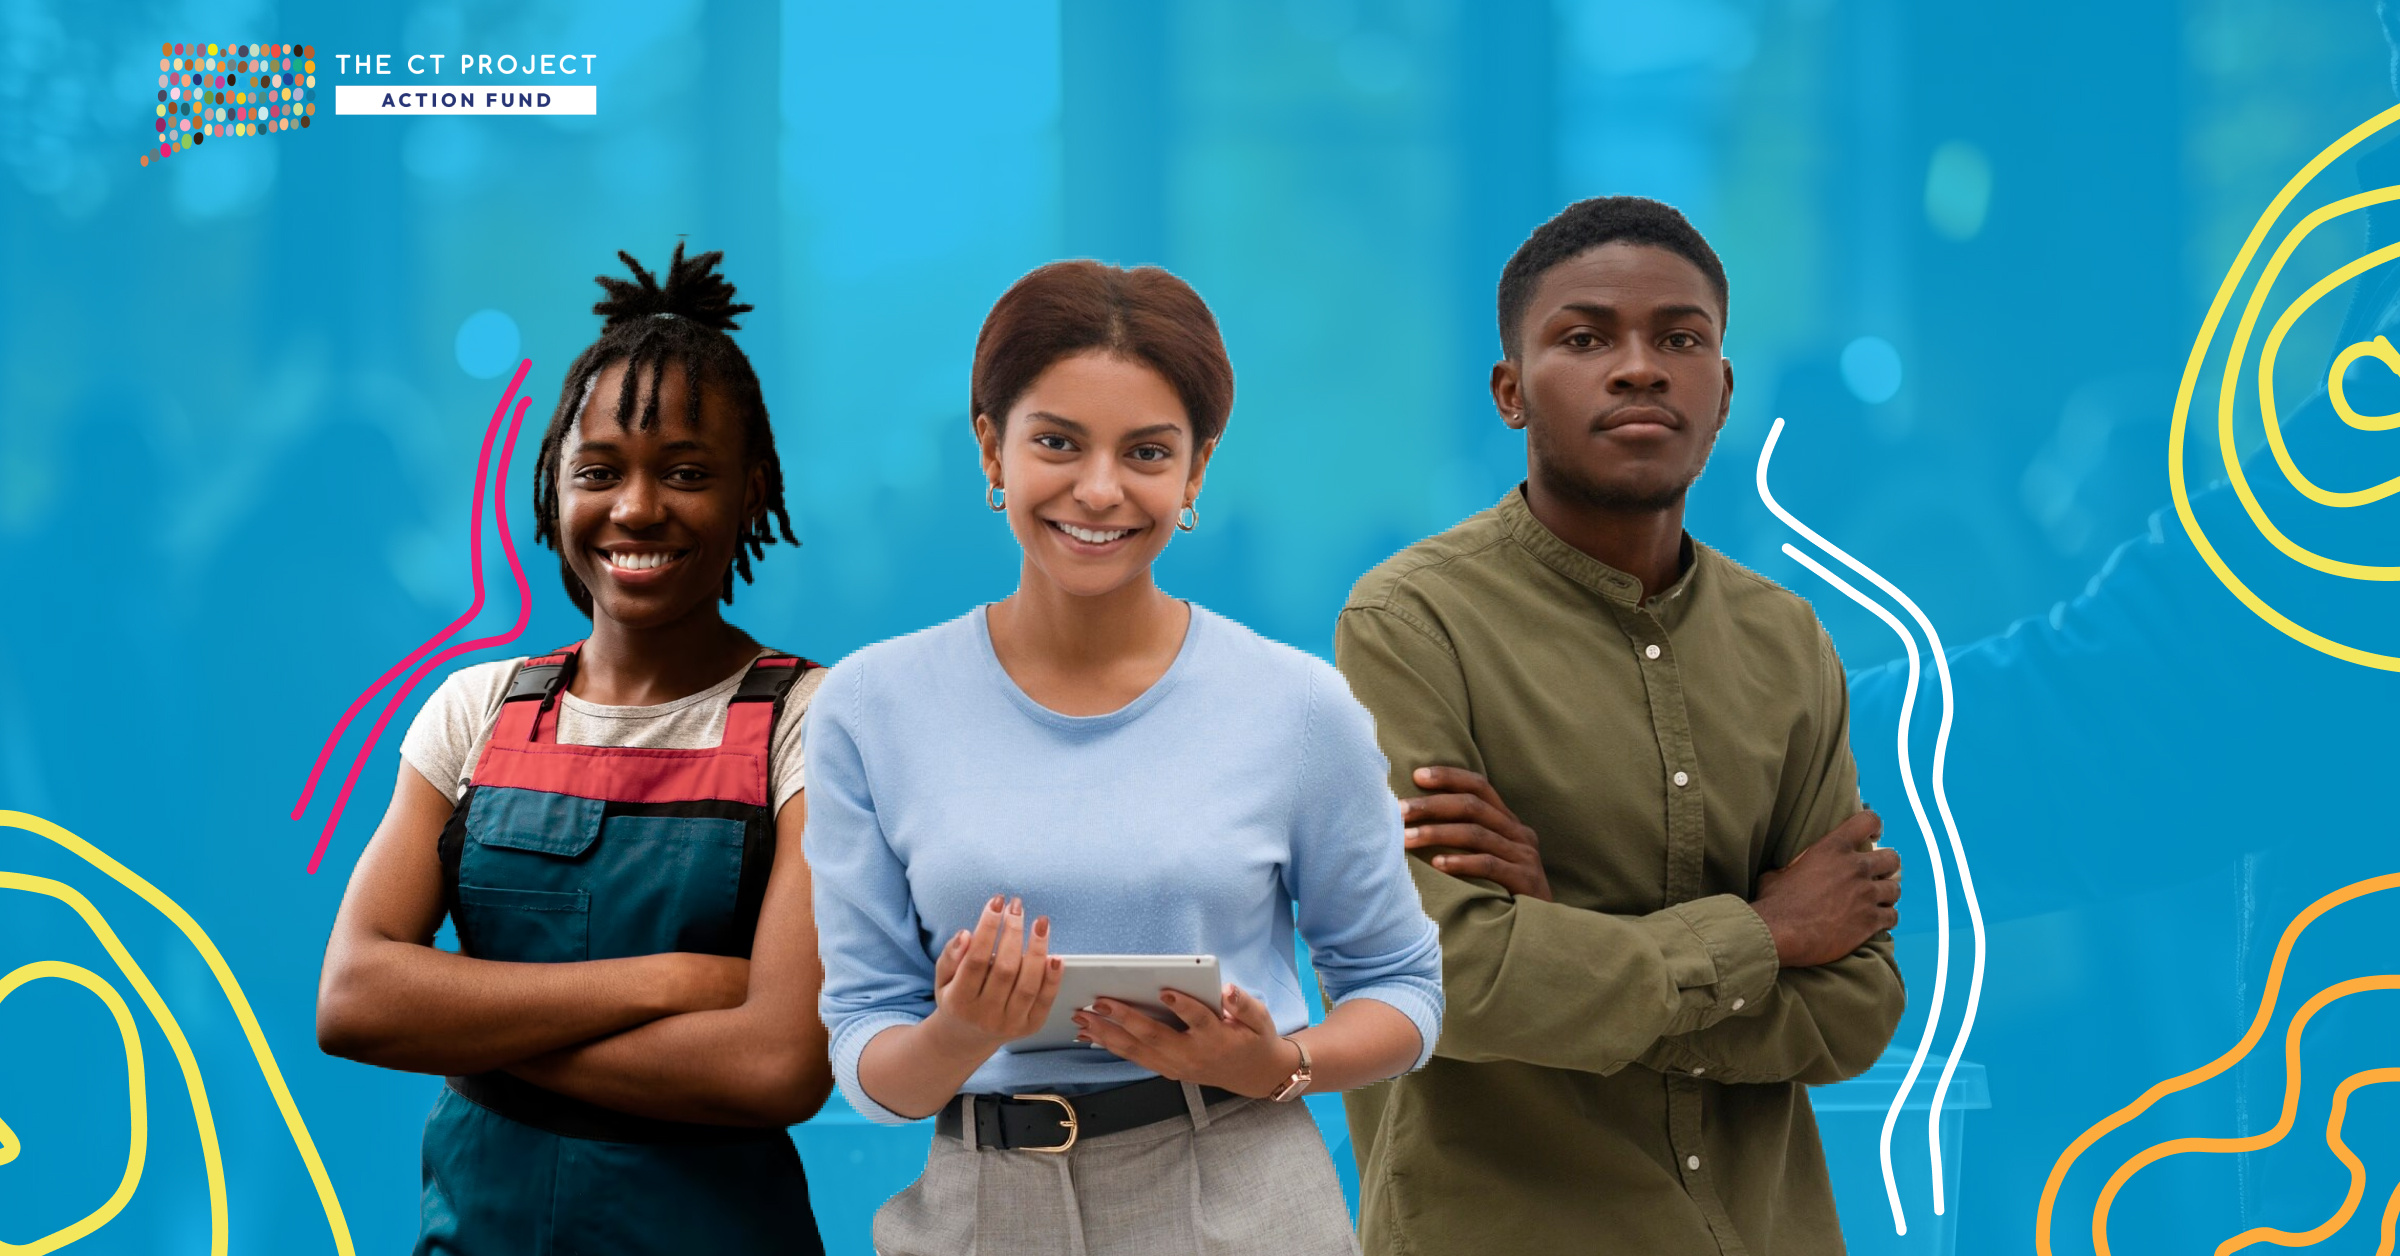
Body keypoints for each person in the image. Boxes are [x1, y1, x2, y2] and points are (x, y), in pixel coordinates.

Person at [804, 260, 1444, 1256]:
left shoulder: (1297, 704)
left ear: (1195, 472)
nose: (1098, 490)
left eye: (1147, 451)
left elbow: (1404, 989)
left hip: (1241, 1199)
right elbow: (867, 1051)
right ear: (991, 448)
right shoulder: (867, 704)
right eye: (1057, 441)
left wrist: (1279, 1060)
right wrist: (959, 1033)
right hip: (977, 1214)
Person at [1332, 197, 1904, 1255]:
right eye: (1585, 336)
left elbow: (1858, 1002)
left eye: (1680, 338)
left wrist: (1574, 953)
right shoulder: (1411, 623)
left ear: (1723, 392)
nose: (1640, 367)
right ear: (1511, 391)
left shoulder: (1787, 640)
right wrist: (1764, 934)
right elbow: (1446, 975)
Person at [316, 244, 832, 1255]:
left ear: (751, 487)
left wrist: (470, 1031)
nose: (637, 508)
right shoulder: (475, 708)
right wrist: (671, 981)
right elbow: (354, 997)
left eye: (687, 472)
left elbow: (775, 1064)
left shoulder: (818, 720)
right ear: (552, 482)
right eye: (600, 471)